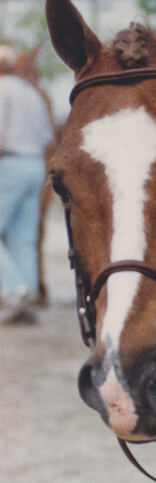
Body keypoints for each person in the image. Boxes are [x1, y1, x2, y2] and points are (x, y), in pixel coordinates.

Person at [0, 44, 53, 324]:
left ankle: (15, 290)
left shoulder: (1, 90)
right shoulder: (32, 93)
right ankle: (28, 296)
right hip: (34, 164)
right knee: (24, 237)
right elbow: (48, 137)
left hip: (9, 164)